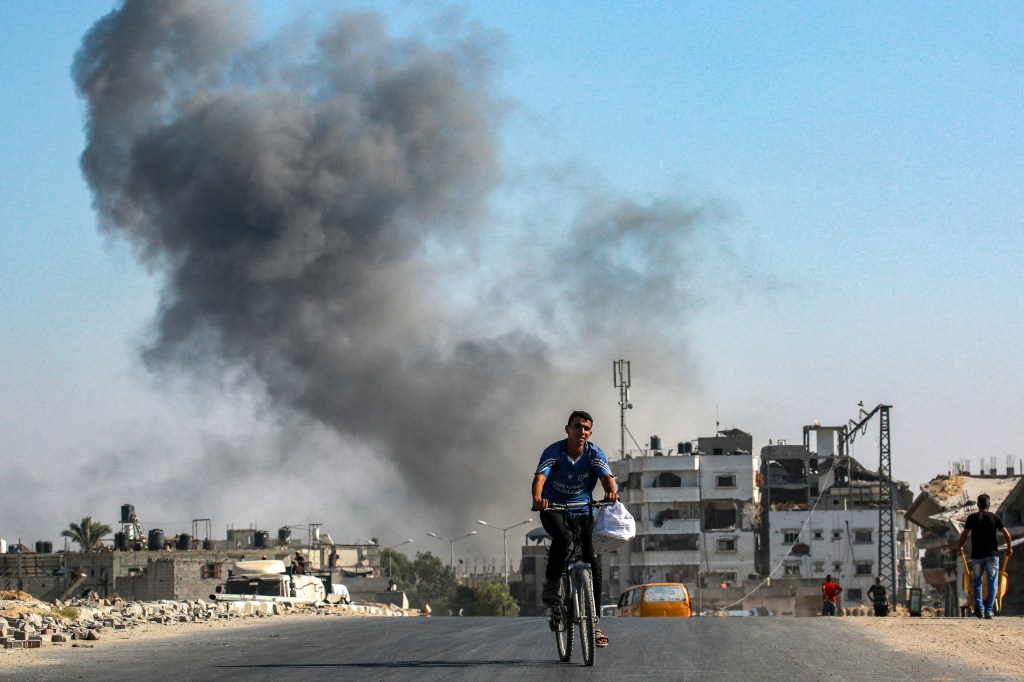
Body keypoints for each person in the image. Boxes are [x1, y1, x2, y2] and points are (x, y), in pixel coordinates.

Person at [532, 410, 618, 648]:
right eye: (578, 427)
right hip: (554, 509)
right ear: (567, 429)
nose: (582, 432)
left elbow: (606, 476)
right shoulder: (554, 452)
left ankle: (594, 621)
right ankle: (552, 583)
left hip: (583, 510)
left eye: (587, 429)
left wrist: (611, 492)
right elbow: (540, 477)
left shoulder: (593, 453)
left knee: (593, 561)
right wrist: (538, 498)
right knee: (563, 537)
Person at [957, 493, 1013, 619]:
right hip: (992, 556)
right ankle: (988, 611)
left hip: (977, 557)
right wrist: (1009, 548)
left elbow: (964, 535)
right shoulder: (995, 518)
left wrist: (959, 546)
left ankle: (980, 609)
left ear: (978, 504)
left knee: (977, 582)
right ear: (989, 504)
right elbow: (1007, 535)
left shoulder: (972, 518)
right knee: (993, 582)